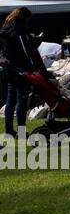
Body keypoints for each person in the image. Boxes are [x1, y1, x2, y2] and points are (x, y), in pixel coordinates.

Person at [2, 8, 43, 137]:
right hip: (21, 70)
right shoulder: (19, 33)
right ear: (23, 18)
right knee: (21, 100)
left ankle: (8, 129)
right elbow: (27, 52)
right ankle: (20, 132)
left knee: (10, 101)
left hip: (10, 70)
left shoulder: (6, 30)